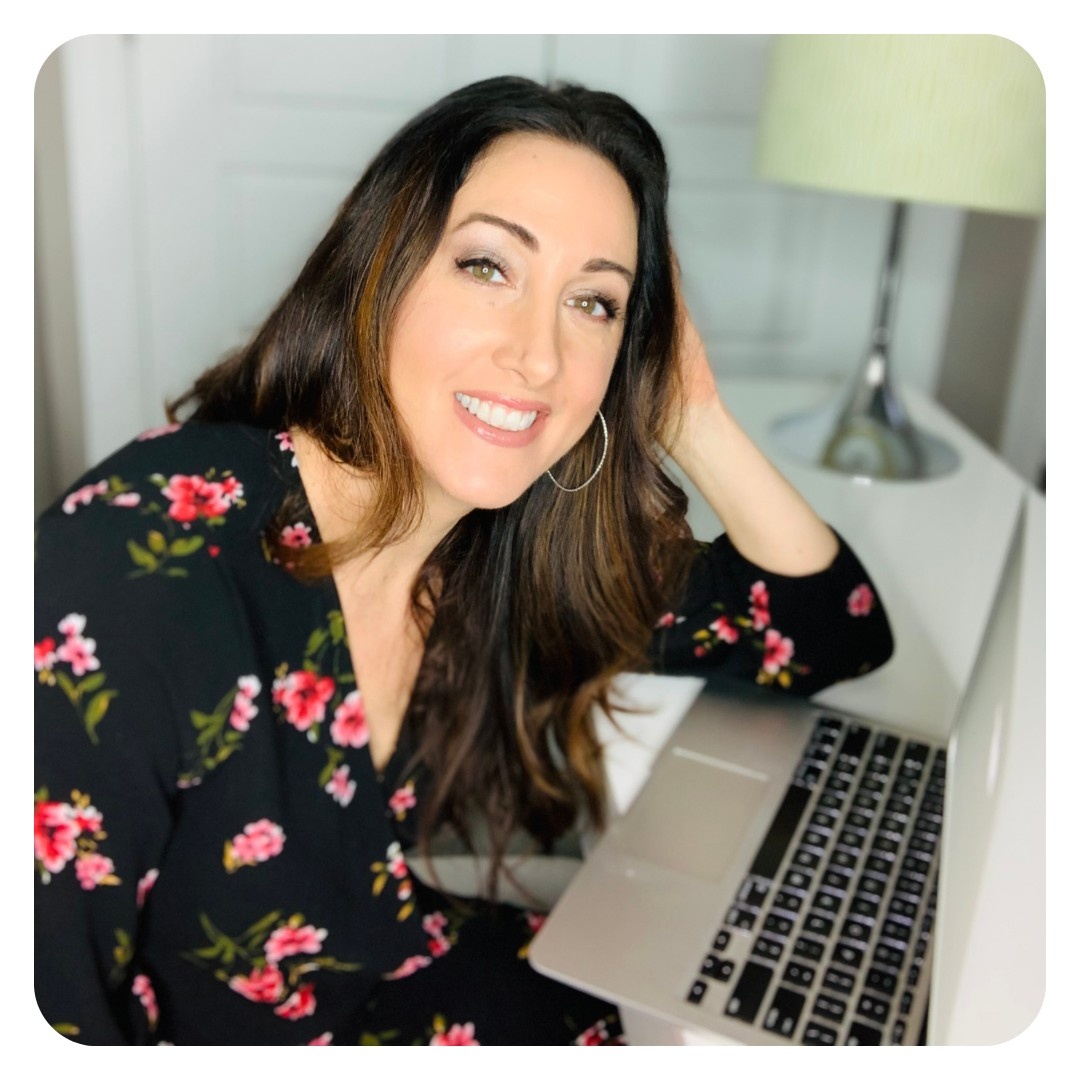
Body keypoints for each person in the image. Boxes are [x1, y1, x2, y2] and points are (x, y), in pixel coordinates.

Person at [34, 75, 893, 1046]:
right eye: (488, 266)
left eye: (595, 302)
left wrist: (690, 410)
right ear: (379, 266)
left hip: (393, 983)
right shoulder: (127, 584)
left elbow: (827, 628)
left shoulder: (502, 532)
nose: (540, 356)